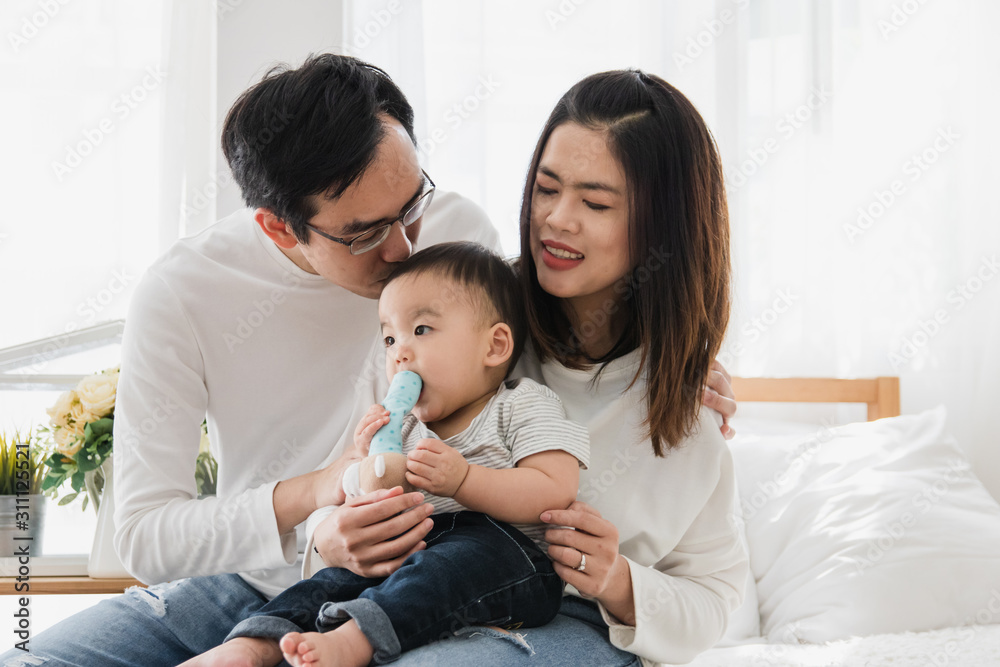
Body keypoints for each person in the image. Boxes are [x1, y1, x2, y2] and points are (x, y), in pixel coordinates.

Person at [0, 55, 736, 666]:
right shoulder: (182, 292)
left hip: (490, 595)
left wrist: (678, 355)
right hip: (293, 574)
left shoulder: (463, 251)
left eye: (412, 203)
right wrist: (321, 508)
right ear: (278, 226)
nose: (407, 250)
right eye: (363, 233)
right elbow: (150, 532)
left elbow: (706, 582)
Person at [308, 69, 747, 667]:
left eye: (594, 202)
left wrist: (615, 579)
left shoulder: (687, 404)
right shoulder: (456, 322)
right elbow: (354, 486)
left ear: (663, 226)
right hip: (404, 591)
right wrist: (330, 536)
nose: (557, 220)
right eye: (546, 189)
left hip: (572, 621)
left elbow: (713, 598)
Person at [186, 241, 589, 667]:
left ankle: (354, 640)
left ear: (494, 346)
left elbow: (554, 490)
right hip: (416, 551)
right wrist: (367, 469)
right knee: (338, 577)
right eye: (390, 338)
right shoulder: (406, 426)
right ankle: (253, 644)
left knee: (452, 564)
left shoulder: (522, 403)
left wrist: (465, 481)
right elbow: (363, 505)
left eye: (421, 331)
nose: (399, 353)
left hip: (510, 562)